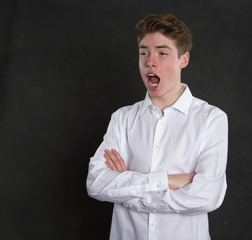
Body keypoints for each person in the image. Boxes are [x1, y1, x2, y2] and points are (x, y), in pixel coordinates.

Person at [86, 14, 228, 240]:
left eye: (162, 53)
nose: (150, 61)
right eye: (144, 52)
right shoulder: (122, 119)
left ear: (184, 59)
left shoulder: (211, 119)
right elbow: (95, 183)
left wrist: (127, 187)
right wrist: (167, 181)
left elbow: (207, 196)